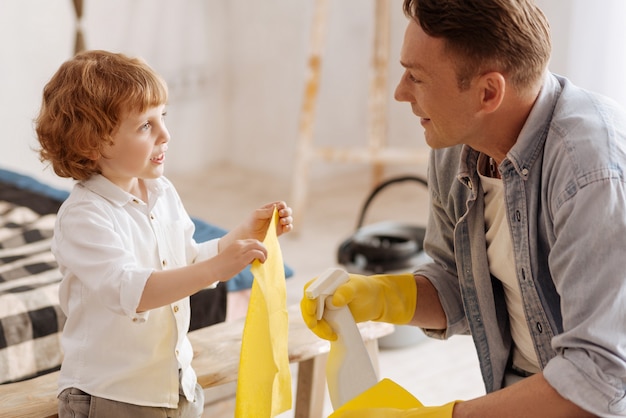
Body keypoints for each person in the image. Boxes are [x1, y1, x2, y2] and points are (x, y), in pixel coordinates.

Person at [301, 0, 626, 416]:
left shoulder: (591, 174)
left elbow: (597, 377)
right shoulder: (458, 146)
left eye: (416, 77)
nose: (400, 92)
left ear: (488, 92)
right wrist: (381, 296)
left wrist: (449, 415)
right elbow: (463, 283)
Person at [35, 50, 293, 418]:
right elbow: (134, 291)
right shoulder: (83, 217)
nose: (165, 135)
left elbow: (183, 262)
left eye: (163, 118)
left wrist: (239, 237)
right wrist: (219, 267)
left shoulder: (161, 191)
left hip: (174, 386)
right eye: (145, 126)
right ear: (95, 141)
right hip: (111, 397)